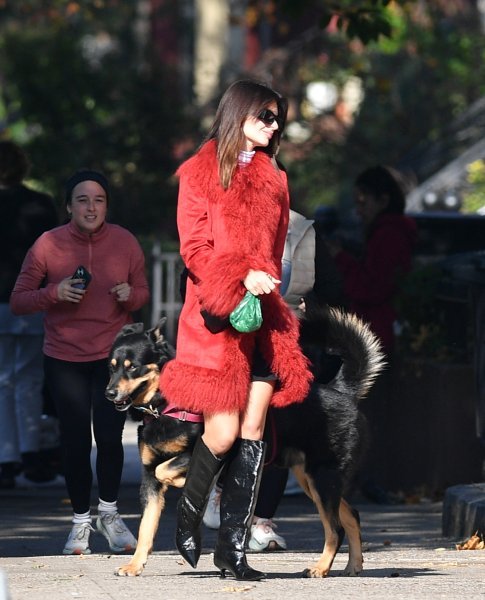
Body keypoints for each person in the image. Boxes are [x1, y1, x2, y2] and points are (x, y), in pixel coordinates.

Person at [159, 79, 312, 581]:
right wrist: (238, 275)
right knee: (221, 434)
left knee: (253, 434)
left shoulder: (276, 178)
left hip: (263, 320)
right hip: (218, 319)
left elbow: (278, 247)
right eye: (264, 116)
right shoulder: (201, 171)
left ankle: (233, 550)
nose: (273, 126)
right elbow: (193, 248)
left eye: (277, 119)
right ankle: (187, 512)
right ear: (238, 115)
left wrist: (269, 284)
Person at [10, 169, 150, 555]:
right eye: (83, 200)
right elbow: (20, 299)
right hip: (64, 356)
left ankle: (109, 514)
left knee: (108, 439)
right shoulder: (47, 244)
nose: (91, 207)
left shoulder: (124, 242)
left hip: (112, 359)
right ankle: (79, 523)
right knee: (74, 442)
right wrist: (53, 292)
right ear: (69, 206)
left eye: (99, 199)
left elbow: (141, 293)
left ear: (107, 205)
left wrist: (128, 295)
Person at [203, 209, 345, 551]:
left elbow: (333, 289)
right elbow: (195, 282)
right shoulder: (226, 221)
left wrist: (311, 309)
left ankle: (262, 519)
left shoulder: (303, 230)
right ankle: (219, 493)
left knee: (278, 434)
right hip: (233, 340)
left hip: (285, 341)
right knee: (230, 432)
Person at [326, 165, 417, 501]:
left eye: (364, 200)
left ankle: (369, 481)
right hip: (376, 331)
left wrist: (342, 259)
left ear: (383, 199)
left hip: (374, 335)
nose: (358, 208)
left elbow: (373, 285)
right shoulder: (387, 231)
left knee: (368, 411)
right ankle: (367, 480)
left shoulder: (389, 233)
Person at [0, 141, 58, 489]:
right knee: (29, 379)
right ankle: (30, 449)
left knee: (3, 380)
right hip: (32, 299)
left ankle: (6, 456)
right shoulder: (40, 204)